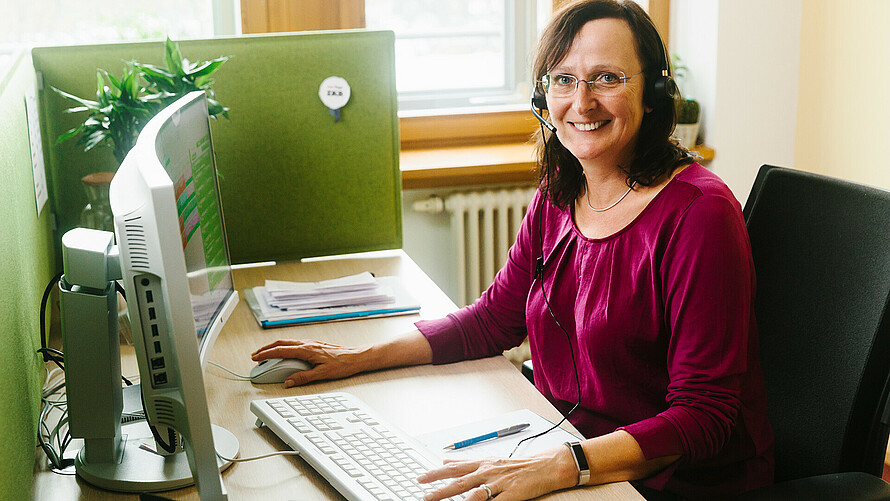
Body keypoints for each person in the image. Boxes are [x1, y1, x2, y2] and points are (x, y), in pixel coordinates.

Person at [251, 0, 774, 499]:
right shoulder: (561, 191)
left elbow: (704, 415)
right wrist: (358, 357)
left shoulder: (699, 215)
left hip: (669, 483)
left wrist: (565, 464)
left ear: (654, 91)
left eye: (607, 78)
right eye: (564, 80)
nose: (582, 102)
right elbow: (492, 320)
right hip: (566, 449)